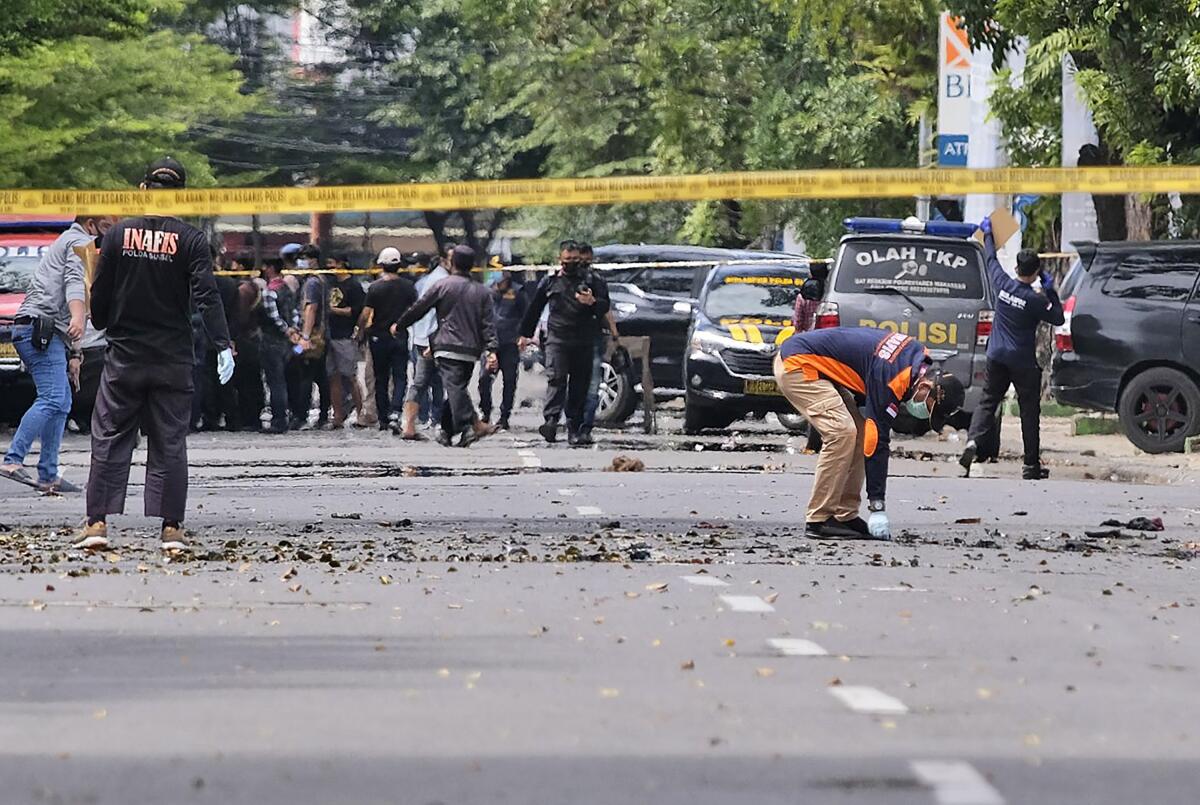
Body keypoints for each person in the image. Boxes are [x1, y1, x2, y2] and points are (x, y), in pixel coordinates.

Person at [77, 157, 233, 551]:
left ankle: (97, 524)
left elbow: (101, 292)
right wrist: (221, 345)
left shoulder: (116, 236)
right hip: (173, 359)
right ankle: (171, 529)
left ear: (143, 189)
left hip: (124, 358)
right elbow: (207, 297)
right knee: (169, 441)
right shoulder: (193, 241)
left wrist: (106, 322)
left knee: (110, 437)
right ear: (180, 196)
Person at [773, 326, 964, 541]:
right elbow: (878, 442)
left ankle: (845, 515)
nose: (925, 414)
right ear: (925, 387)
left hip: (820, 367)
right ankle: (819, 520)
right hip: (798, 364)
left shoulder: (918, 358)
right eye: (930, 408)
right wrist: (877, 506)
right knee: (842, 432)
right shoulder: (891, 378)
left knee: (860, 434)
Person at [2, 214, 115, 493]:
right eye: (108, 227)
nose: (111, 234)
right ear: (91, 224)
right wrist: (78, 318)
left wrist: (75, 354)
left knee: (61, 401)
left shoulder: (70, 242)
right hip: (39, 330)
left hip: (47, 332)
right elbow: (75, 284)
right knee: (53, 397)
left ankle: (48, 474)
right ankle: (12, 460)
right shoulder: (78, 241)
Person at [960, 216, 1065, 480]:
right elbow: (1059, 318)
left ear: (1017, 267)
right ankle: (1031, 465)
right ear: (1036, 271)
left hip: (996, 356)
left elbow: (990, 258)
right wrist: (1051, 291)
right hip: (1022, 362)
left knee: (987, 402)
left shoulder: (1003, 284)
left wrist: (988, 234)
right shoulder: (1035, 300)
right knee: (1029, 411)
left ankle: (972, 441)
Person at [394, 245, 498, 447]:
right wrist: (491, 349)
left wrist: (400, 325)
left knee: (455, 388)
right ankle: (454, 429)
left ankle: (465, 428)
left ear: (452, 263)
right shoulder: (482, 292)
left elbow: (420, 308)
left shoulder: (443, 285)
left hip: (446, 346)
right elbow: (488, 324)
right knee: (457, 387)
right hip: (470, 350)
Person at [519, 240, 611, 446]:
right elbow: (534, 308)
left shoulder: (593, 281)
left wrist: (593, 302)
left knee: (580, 385)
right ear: (560, 260)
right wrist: (524, 334)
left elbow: (605, 306)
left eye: (575, 260)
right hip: (557, 339)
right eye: (567, 260)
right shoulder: (550, 281)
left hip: (584, 340)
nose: (571, 264)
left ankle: (574, 427)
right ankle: (551, 421)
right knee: (556, 379)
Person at [361, 247, 417, 431]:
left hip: (378, 337)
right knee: (400, 376)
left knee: (380, 378)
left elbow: (366, 313)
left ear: (382, 265)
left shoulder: (375, 288)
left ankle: (383, 418)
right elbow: (414, 310)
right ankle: (395, 412)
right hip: (399, 336)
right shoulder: (408, 287)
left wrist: (360, 329)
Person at [400, 251, 447, 439]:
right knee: (426, 382)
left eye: (416, 264)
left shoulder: (432, 281)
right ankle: (424, 418)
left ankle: (431, 418)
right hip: (422, 338)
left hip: (426, 339)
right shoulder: (422, 283)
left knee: (428, 382)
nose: (413, 268)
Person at [578, 243, 619, 439]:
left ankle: (585, 428)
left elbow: (606, 307)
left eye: (587, 259)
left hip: (593, 337)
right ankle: (572, 425)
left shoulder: (598, 281)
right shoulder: (562, 280)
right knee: (571, 384)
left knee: (593, 384)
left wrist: (614, 332)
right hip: (567, 338)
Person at [478, 269, 528, 430]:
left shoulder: (518, 291)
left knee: (509, 380)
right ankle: (485, 412)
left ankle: (504, 416)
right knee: (484, 378)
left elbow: (526, 315)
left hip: (510, 342)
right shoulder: (486, 291)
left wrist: (523, 335)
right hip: (490, 342)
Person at [325, 253, 366, 428]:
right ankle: (338, 415)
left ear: (341, 264)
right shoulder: (329, 284)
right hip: (329, 335)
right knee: (333, 376)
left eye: (332, 263)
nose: (329, 268)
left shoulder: (354, 286)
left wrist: (332, 310)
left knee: (350, 376)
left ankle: (360, 413)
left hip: (345, 336)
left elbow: (355, 311)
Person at [259, 257, 300, 434]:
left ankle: (278, 420)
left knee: (275, 383)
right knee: (286, 380)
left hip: (271, 341)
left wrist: (286, 330)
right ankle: (291, 415)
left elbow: (274, 317)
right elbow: (295, 311)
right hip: (287, 344)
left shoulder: (270, 291)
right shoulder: (286, 288)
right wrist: (294, 330)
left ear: (270, 268)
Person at [291, 244, 330, 429]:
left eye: (304, 257)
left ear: (313, 259)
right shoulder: (320, 279)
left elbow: (311, 309)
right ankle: (323, 415)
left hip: (312, 338)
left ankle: (301, 416)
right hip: (321, 337)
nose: (300, 261)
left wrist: (304, 337)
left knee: (304, 375)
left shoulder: (312, 283)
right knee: (321, 376)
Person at [793, 263, 829, 453]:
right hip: (825, 348)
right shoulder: (829, 293)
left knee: (811, 395)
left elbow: (797, 323)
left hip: (806, 349)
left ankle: (812, 443)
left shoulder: (803, 295)